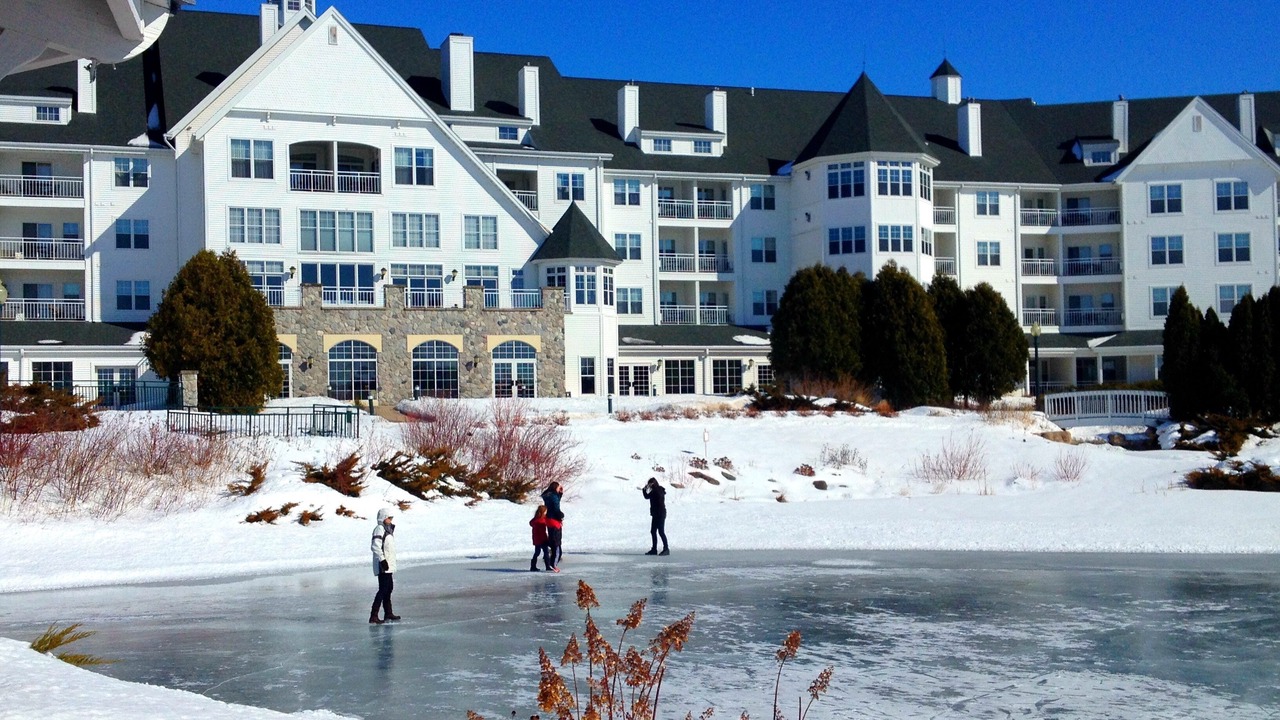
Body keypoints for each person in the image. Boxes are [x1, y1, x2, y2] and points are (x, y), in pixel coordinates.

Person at [370, 508, 401, 624]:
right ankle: (373, 615)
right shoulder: (379, 529)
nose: (391, 520)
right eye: (389, 518)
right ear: (383, 518)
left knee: (389, 588)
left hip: (388, 565)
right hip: (383, 565)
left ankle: (388, 613)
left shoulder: (388, 530)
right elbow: (375, 546)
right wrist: (382, 560)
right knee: (383, 589)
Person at [540, 482, 565, 570]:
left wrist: (560, 494)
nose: (559, 489)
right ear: (555, 488)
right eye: (558, 488)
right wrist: (560, 515)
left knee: (553, 538)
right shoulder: (553, 496)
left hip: (549, 520)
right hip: (554, 520)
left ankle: (550, 560)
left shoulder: (549, 495)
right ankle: (553, 564)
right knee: (556, 543)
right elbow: (556, 507)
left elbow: (555, 502)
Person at [643, 477, 669, 556]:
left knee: (661, 531)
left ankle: (666, 549)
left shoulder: (658, 490)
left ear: (653, 483)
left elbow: (649, 496)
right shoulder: (655, 491)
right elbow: (647, 497)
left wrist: (645, 489)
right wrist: (644, 489)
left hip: (660, 514)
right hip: (655, 514)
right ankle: (654, 549)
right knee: (653, 531)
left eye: (650, 484)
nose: (649, 486)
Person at [529, 505, 552, 572]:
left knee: (537, 552)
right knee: (546, 552)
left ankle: (533, 566)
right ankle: (548, 566)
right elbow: (541, 532)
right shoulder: (541, 521)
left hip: (536, 539)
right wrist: (546, 540)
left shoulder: (535, 519)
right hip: (541, 539)